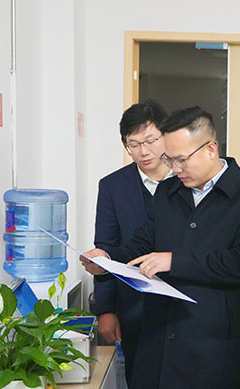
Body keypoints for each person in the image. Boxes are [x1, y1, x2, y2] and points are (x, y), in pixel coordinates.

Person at [82, 106, 240, 389]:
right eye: (169, 160)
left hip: (209, 343)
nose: (175, 169)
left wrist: (174, 261)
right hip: (157, 337)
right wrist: (107, 260)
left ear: (210, 149)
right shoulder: (168, 192)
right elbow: (142, 244)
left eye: (182, 160)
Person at [86, 100, 173, 386]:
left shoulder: (186, 179)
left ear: (166, 136)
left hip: (183, 303)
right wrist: (106, 310)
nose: (143, 152)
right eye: (133, 144)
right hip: (135, 306)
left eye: (150, 141)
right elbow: (106, 248)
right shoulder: (113, 186)